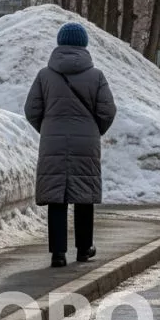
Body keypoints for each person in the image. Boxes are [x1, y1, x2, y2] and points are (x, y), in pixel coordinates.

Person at [25, 22, 117, 267]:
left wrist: (48, 129)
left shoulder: (45, 75)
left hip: (52, 143)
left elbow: (31, 110)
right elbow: (107, 111)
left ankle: (58, 254)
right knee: (84, 195)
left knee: (57, 197)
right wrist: (94, 130)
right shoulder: (96, 76)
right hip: (86, 143)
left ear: (60, 43)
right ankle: (84, 249)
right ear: (84, 44)